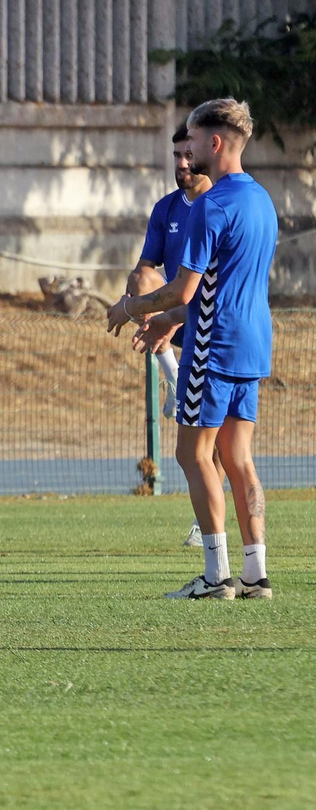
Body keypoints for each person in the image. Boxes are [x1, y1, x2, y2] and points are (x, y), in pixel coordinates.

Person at [109, 98, 277, 601]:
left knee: (191, 453)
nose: (189, 149)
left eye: (194, 139)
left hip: (212, 346)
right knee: (238, 458)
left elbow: (184, 288)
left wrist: (130, 307)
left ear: (215, 142)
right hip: (252, 343)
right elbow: (225, 288)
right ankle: (256, 575)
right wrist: (166, 321)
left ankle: (215, 576)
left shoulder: (212, 203)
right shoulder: (262, 200)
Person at [128, 123, 220, 548]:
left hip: (211, 326)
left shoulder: (220, 206)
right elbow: (147, 274)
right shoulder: (166, 209)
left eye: (188, 154)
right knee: (140, 277)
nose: (182, 164)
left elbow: (203, 288)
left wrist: (177, 317)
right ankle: (172, 374)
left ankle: (208, 528)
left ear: (205, 152)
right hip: (173, 321)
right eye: (176, 157)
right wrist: (150, 310)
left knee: (216, 447)